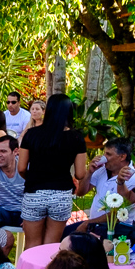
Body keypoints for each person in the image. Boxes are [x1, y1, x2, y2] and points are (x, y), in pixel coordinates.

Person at [18, 92, 88, 246]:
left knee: (32, 245)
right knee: (52, 245)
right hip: (61, 195)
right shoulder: (76, 137)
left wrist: (33, 177)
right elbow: (80, 173)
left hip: (34, 193)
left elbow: (21, 168)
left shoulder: (32, 134)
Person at [62, 138, 135, 239]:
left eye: (108, 154)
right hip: (94, 224)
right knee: (65, 233)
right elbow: (81, 192)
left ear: (122, 157)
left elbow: (117, 214)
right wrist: (89, 172)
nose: (104, 157)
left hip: (114, 229)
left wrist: (88, 223)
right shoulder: (102, 170)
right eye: (104, 153)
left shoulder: (133, 178)